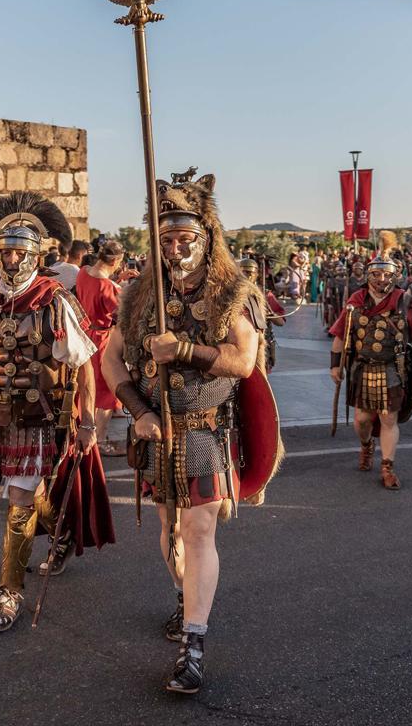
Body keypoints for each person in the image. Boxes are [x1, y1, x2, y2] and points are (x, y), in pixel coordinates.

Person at [102, 171, 278, 694]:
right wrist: (137, 409)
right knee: (170, 531)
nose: (176, 248)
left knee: (199, 532)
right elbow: (110, 360)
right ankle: (186, 598)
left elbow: (244, 360)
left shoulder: (231, 292)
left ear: (206, 238)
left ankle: (193, 646)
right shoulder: (137, 296)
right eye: (167, 239)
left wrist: (184, 351)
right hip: (157, 434)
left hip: (204, 432)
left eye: (185, 238)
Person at [0, 192, 114, 633]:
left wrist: (85, 422)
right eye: (4, 250)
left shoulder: (53, 300)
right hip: (2, 415)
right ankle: (60, 534)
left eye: (18, 251)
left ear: (35, 254)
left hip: (44, 417)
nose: (9, 259)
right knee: (23, 490)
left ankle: (9, 595)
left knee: (18, 498)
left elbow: (82, 366)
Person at [330, 256, 412, 481]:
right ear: (369, 275)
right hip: (363, 368)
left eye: (386, 274)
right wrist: (335, 365)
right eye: (376, 274)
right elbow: (340, 335)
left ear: (395, 276)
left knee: (388, 419)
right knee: (362, 420)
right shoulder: (356, 300)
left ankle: (388, 467)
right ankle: (366, 445)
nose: (381, 279)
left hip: (393, 369)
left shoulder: (404, 300)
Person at [75, 240, 126, 455]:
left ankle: (84, 429)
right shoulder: (109, 288)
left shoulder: (83, 272)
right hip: (102, 340)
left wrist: (117, 283)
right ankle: (101, 439)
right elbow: (121, 315)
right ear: (115, 261)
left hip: (84, 335)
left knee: (86, 386)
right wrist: (121, 289)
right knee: (106, 392)